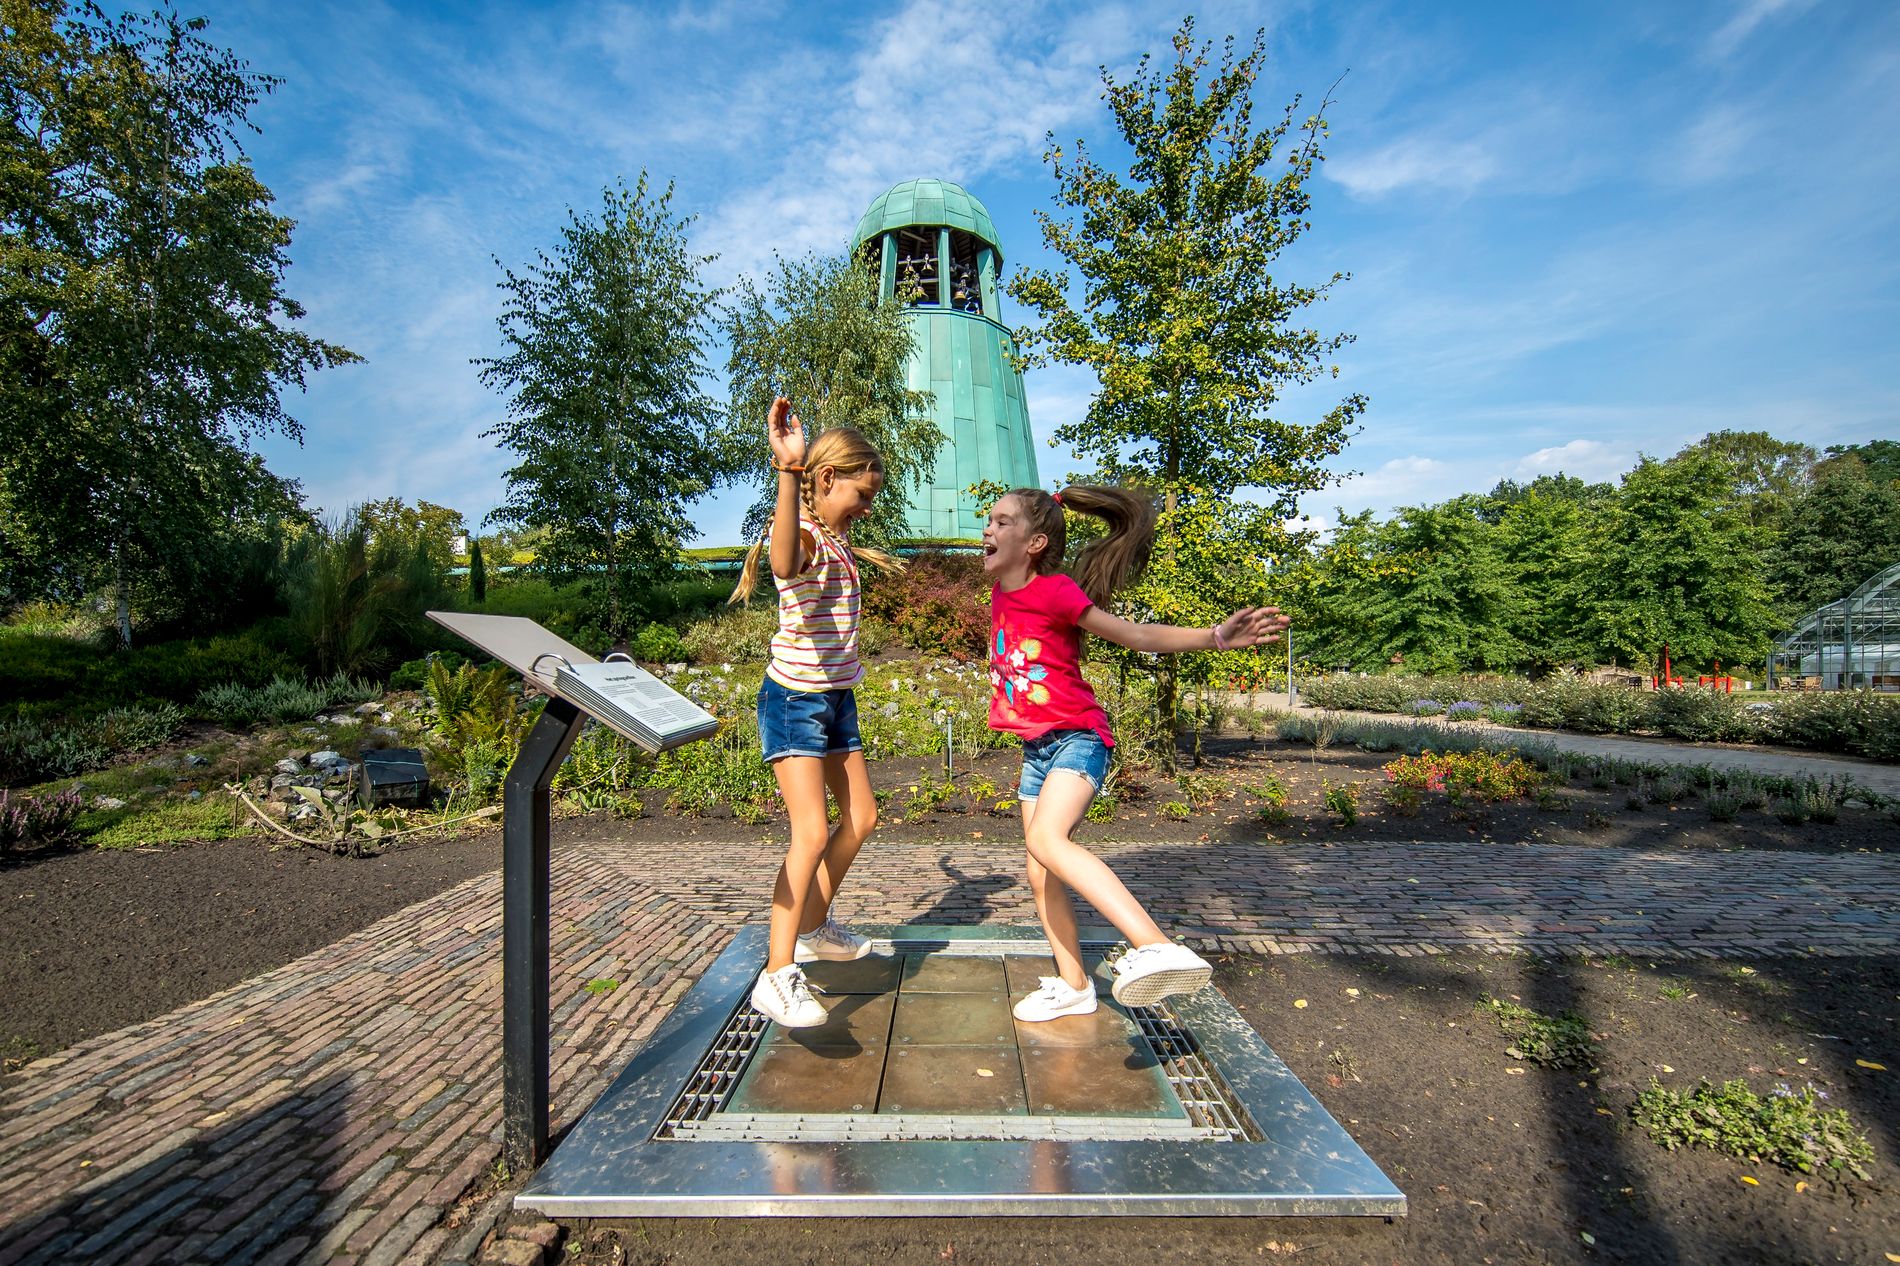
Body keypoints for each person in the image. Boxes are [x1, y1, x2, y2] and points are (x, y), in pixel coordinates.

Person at [981, 486, 1288, 1020]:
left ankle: (1155, 946)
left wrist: (1215, 637)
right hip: (1036, 750)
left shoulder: (1056, 591)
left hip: (1077, 739)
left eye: (1002, 521)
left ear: (1035, 542)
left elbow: (1136, 635)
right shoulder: (1001, 593)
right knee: (1040, 871)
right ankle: (1074, 985)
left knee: (1047, 840)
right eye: (989, 520)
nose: (988, 529)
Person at [728, 397, 896, 1027]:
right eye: (862, 494)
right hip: (794, 699)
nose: (867, 507)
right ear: (827, 479)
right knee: (812, 833)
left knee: (863, 817)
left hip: (835, 698)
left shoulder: (838, 540)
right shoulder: (801, 532)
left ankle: (813, 925)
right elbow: (782, 561)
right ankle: (777, 975)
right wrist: (787, 471)